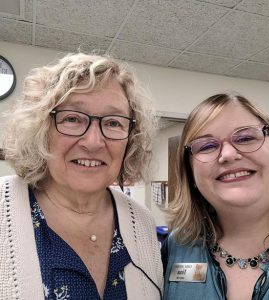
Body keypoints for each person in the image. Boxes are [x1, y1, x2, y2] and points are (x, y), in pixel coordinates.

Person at [0, 53, 163, 299]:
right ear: (40, 130)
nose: (94, 142)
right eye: (73, 118)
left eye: (113, 123)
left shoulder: (142, 223)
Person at [162, 93, 269, 300]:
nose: (227, 154)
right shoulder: (178, 246)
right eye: (207, 146)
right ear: (190, 173)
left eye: (245, 138)